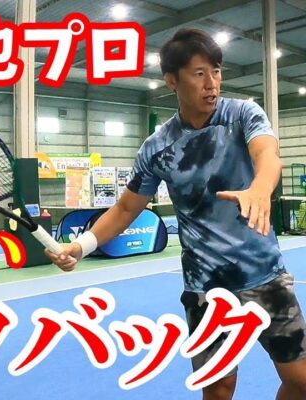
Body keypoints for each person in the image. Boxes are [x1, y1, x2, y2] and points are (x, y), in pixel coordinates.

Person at [45, 28, 306, 400]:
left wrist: (260, 189)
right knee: (218, 388)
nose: (211, 83)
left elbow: (267, 153)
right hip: (206, 290)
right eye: (199, 73)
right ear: (172, 80)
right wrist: (81, 246)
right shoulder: (158, 147)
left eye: (216, 71)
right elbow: (126, 208)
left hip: (266, 277)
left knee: (300, 380)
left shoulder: (242, 114)